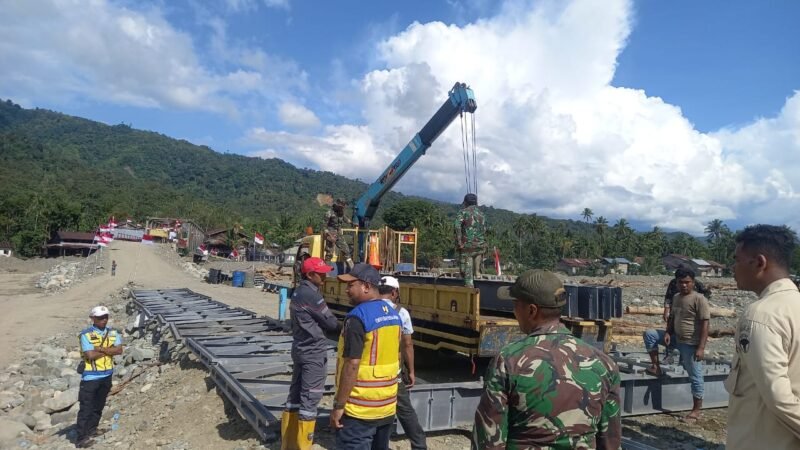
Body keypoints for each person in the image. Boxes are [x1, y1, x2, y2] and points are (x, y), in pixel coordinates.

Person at [473, 270, 620, 449]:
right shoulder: (604, 364)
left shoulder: (508, 361)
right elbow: (610, 441)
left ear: (531, 310)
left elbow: (489, 439)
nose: (513, 311)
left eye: (515, 304)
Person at [727, 225, 800, 449]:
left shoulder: (760, 315)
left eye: (737, 259)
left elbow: (778, 397)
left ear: (759, 262)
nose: (733, 267)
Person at [331, 264, 402, 450]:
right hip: (386, 406)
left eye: (350, 285)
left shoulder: (357, 317)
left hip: (359, 410)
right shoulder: (394, 315)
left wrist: (339, 406)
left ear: (366, 286)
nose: (346, 290)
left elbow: (352, 364)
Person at [281, 257, 340, 450]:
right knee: (310, 398)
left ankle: (288, 444)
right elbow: (330, 322)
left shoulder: (299, 291)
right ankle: (302, 446)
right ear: (309, 274)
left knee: (295, 397)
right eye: (320, 272)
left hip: (300, 348)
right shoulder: (312, 295)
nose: (324, 275)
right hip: (313, 352)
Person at [643, 267, 709, 421]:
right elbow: (672, 318)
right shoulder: (677, 297)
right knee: (650, 334)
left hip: (690, 343)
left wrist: (701, 348)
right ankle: (656, 367)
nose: (684, 285)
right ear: (677, 283)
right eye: (681, 283)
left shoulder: (699, 299)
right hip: (675, 339)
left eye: (687, 282)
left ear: (693, 282)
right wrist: (667, 332)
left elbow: (705, 324)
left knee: (695, 375)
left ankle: (696, 409)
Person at [378, 276, 427, 450]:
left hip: (369, 374)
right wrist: (412, 371)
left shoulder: (366, 309)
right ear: (394, 292)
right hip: (393, 372)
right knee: (405, 410)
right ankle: (419, 445)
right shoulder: (401, 312)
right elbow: (407, 344)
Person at [76, 306, 124, 448]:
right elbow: (90, 355)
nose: (104, 320)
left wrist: (101, 349)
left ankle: (92, 430)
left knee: (98, 405)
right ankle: (81, 438)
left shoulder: (113, 333)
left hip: (107, 375)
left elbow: (119, 350)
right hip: (91, 377)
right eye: (100, 318)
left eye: (105, 317)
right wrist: (110, 351)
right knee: (86, 407)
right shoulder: (86, 335)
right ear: (93, 319)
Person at [454, 193, 487, 288]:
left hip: (467, 247)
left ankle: (469, 286)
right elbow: (485, 229)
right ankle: (477, 272)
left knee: (466, 271)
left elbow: (457, 227)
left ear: (465, 202)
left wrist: (459, 242)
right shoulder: (482, 214)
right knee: (477, 255)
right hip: (480, 247)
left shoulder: (463, 212)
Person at [324, 198, 354, 269]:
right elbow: (324, 227)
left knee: (346, 251)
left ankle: (352, 269)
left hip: (339, 234)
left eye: (343, 207)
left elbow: (346, 219)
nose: (342, 208)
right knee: (329, 253)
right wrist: (329, 235)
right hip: (331, 234)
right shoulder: (329, 213)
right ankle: (326, 271)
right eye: (340, 206)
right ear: (336, 205)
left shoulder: (341, 213)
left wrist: (352, 223)